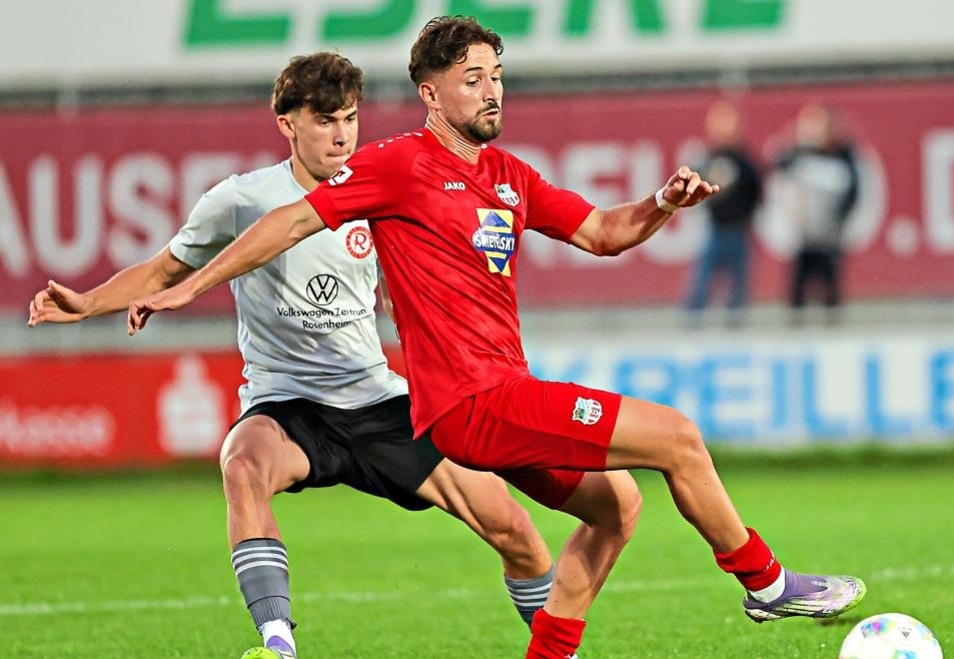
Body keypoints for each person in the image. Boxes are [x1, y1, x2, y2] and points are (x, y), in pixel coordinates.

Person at [124, 18, 866, 659]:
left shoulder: (509, 175)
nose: (492, 90)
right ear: (431, 94)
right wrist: (188, 285)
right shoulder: (396, 164)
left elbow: (603, 233)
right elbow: (288, 221)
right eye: (472, 77)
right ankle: (767, 584)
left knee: (618, 509)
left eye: (497, 76)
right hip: (472, 402)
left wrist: (663, 204)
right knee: (677, 436)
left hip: (499, 399)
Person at [27, 52, 563, 659]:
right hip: (287, 405)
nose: (341, 136)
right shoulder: (240, 200)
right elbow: (164, 267)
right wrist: (86, 304)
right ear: (288, 124)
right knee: (242, 465)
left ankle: (557, 650)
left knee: (515, 532)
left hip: (376, 398)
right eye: (325, 121)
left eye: (351, 119)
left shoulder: (382, 183)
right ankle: (278, 645)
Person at [776, 103, 860, 324]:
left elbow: (853, 191)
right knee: (798, 288)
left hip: (829, 236)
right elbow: (778, 171)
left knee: (830, 287)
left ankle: (832, 329)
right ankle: (795, 330)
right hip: (804, 235)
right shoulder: (797, 155)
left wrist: (839, 220)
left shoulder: (842, 155)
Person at [685, 100, 762, 327]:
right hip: (715, 231)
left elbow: (756, 191)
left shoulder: (744, 161)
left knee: (738, 289)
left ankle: (735, 329)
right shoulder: (708, 157)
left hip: (738, 232)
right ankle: (692, 327)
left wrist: (744, 214)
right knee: (700, 286)